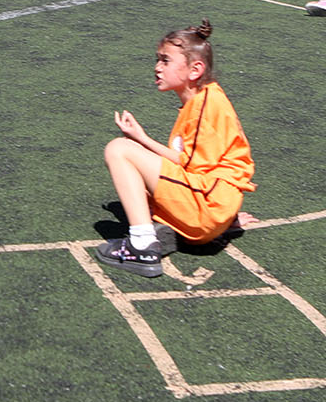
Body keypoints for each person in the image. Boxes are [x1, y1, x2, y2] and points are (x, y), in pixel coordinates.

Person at [95, 20, 255, 279]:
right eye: (157, 60)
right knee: (136, 174)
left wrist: (142, 140)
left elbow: (191, 166)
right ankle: (172, 228)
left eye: (165, 61)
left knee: (119, 149)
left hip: (207, 207)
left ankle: (142, 246)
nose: (157, 67)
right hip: (215, 208)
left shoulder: (206, 105)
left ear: (195, 70)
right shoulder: (205, 99)